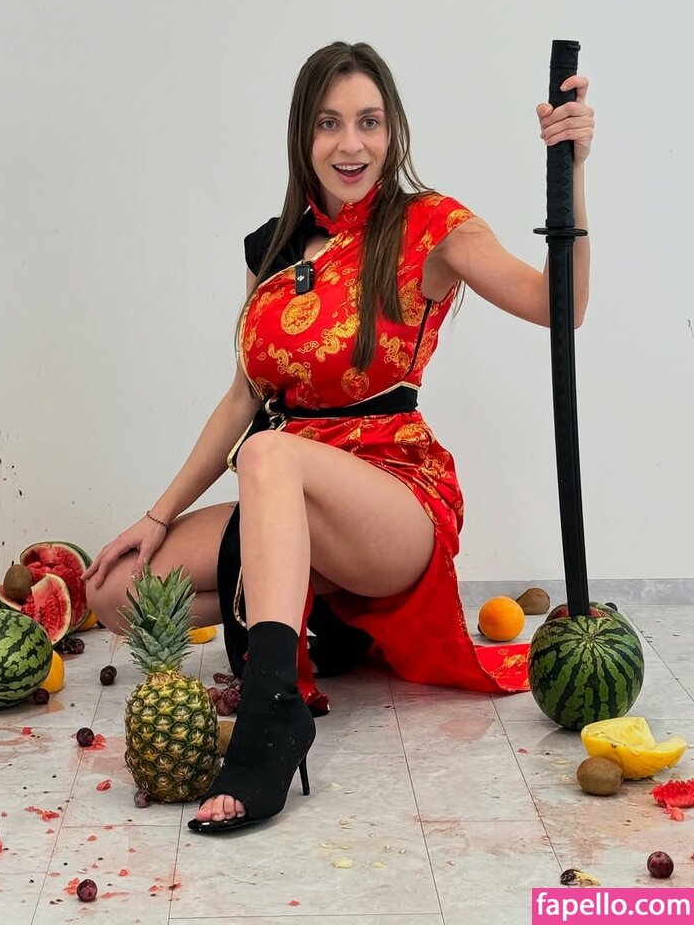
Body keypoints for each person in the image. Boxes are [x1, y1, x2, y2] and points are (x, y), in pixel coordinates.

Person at [84, 41, 595, 834]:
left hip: (393, 497)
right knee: (115, 592)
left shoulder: (430, 226)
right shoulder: (272, 245)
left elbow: (557, 306)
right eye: (328, 123)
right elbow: (243, 395)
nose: (349, 144)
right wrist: (155, 517)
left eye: (368, 122)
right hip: (283, 490)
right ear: (303, 134)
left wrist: (574, 173)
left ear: (392, 133)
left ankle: (272, 719)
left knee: (266, 452)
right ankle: (329, 621)